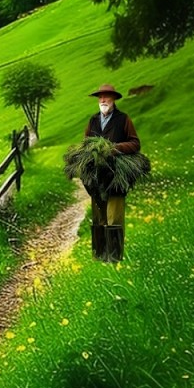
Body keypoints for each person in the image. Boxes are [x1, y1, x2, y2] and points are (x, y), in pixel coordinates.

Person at [83, 84, 140, 262]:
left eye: (106, 97)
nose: (103, 100)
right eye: (100, 97)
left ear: (114, 99)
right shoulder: (93, 121)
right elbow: (86, 144)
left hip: (116, 177)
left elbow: (135, 143)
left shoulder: (123, 119)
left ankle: (114, 259)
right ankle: (99, 257)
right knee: (98, 218)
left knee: (114, 218)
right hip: (97, 178)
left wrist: (115, 149)